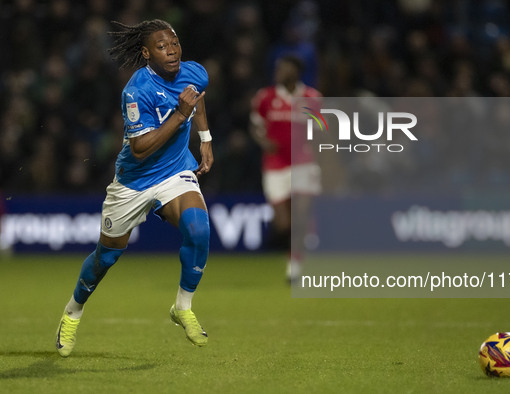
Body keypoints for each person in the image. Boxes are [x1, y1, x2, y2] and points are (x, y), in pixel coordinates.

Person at [55, 19, 214, 357]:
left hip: (174, 172)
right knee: (106, 257)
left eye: (174, 43)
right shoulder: (135, 91)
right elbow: (141, 148)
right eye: (161, 46)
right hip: (134, 181)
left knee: (198, 230)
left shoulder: (195, 71)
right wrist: (179, 114)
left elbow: (197, 98)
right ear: (146, 53)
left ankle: (182, 306)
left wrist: (205, 138)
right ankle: (73, 311)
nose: (171, 50)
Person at [250, 55, 321, 282]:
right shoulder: (266, 97)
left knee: (299, 215)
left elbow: (322, 129)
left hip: (303, 162)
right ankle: (306, 235)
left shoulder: (311, 97)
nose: (278, 71)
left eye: (283, 68)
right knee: (283, 223)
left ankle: (294, 266)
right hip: (275, 165)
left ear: (296, 71)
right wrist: (263, 142)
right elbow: (255, 126)